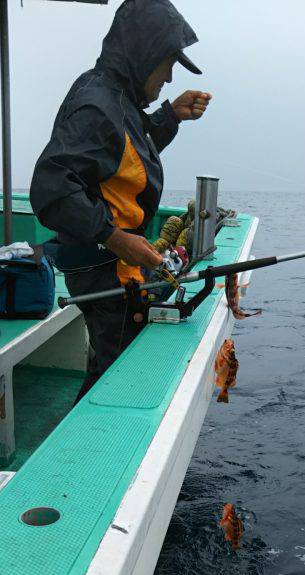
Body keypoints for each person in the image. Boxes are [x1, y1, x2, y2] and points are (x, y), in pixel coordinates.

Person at [30, 0, 211, 400]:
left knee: (106, 363)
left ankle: (80, 443)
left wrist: (171, 116)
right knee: (116, 378)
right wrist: (115, 237)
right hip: (107, 267)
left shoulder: (116, 97)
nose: (167, 77)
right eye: (167, 63)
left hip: (112, 262)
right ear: (144, 52)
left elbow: (125, 155)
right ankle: (87, 453)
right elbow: (51, 186)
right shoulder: (98, 105)